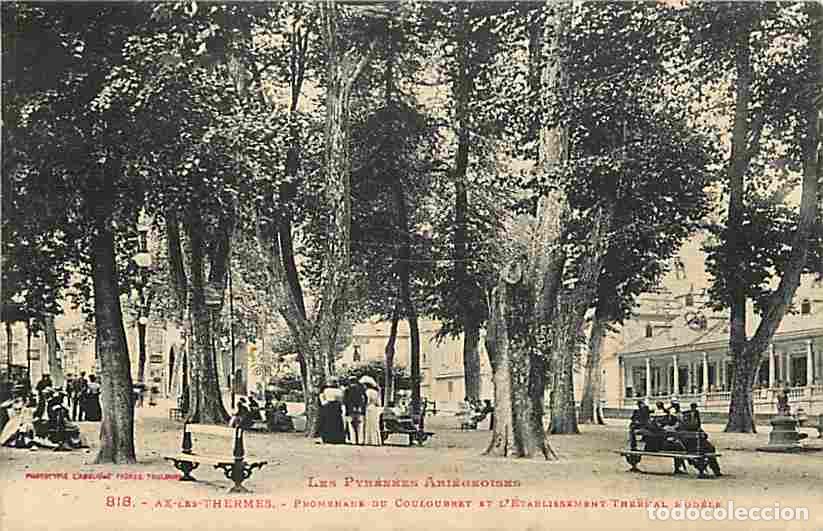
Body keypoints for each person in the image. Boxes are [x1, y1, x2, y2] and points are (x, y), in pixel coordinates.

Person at [680, 403, 721, 477]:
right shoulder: (688, 426)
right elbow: (704, 435)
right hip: (693, 447)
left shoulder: (689, 425)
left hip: (695, 446)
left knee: (709, 449)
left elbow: (704, 435)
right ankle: (713, 469)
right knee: (706, 450)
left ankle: (714, 469)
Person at [318, 379, 346, 444]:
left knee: (327, 423)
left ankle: (328, 438)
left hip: (328, 407)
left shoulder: (326, 390)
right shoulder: (339, 391)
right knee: (337, 423)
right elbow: (341, 400)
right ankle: (337, 438)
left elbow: (323, 401)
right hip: (336, 407)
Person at [343, 378, 366, 445]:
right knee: (360, 425)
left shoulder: (347, 390)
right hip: (359, 409)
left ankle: (353, 440)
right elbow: (364, 399)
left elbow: (345, 401)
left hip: (350, 409)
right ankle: (360, 440)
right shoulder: (361, 389)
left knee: (351, 426)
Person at [363, 381, 382, 446]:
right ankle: (376, 441)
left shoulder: (367, 392)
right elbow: (378, 403)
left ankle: (368, 440)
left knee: (368, 425)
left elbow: (367, 401)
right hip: (375, 408)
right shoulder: (376, 393)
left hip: (368, 408)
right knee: (375, 425)